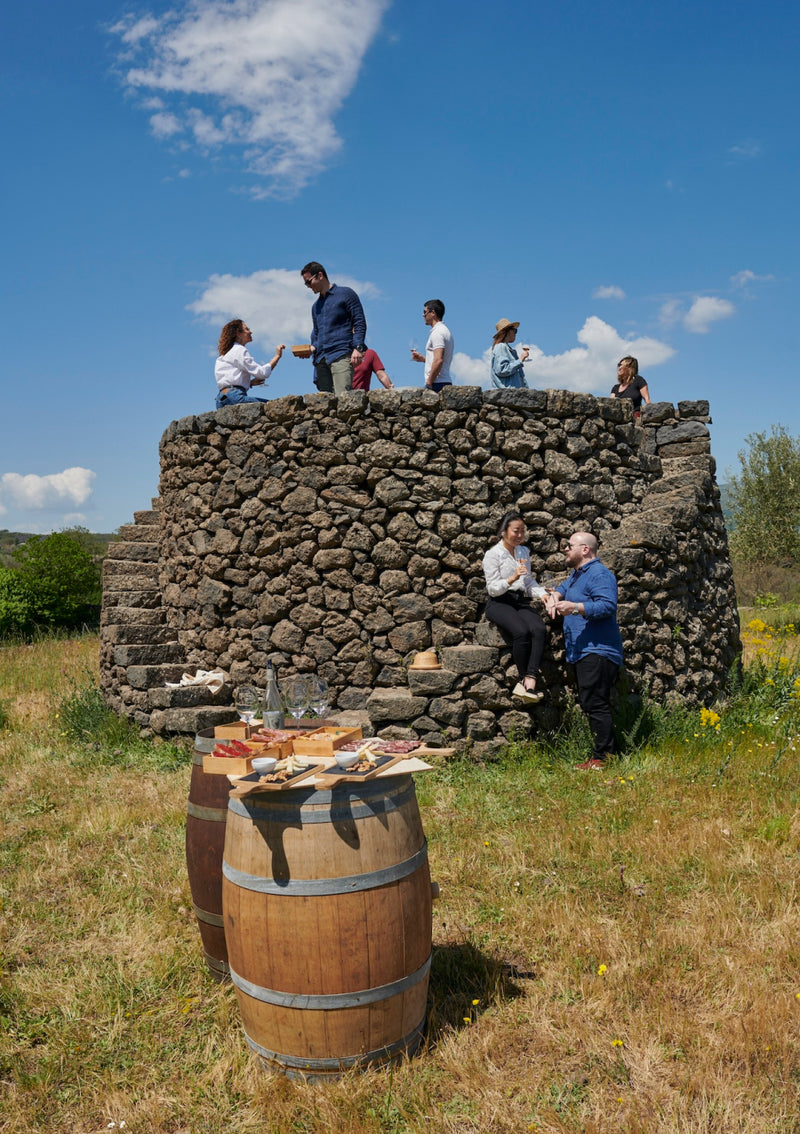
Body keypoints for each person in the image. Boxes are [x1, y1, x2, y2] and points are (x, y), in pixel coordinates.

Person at [545, 532, 624, 770]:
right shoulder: (577, 575)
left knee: (595, 703)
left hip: (598, 649)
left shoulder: (599, 574)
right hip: (584, 650)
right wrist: (553, 597)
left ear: (585, 550)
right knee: (592, 702)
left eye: (569, 546)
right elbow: (562, 588)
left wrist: (575, 607)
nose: (565, 550)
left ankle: (603, 758)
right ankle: (610, 753)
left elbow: (608, 605)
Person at [482, 511, 548, 704]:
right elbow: (493, 588)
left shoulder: (523, 552)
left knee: (538, 629)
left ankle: (530, 681)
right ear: (504, 531)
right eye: (516, 531)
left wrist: (542, 594)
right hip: (499, 602)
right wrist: (511, 578)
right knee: (521, 631)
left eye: (522, 532)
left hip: (519, 600)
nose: (520, 536)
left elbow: (528, 584)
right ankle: (522, 679)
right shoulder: (493, 554)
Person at [300, 261, 367, 395]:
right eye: (305, 283)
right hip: (321, 361)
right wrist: (311, 349)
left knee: (343, 399)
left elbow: (359, 322)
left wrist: (358, 347)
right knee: (325, 406)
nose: (307, 286)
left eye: (308, 282)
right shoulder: (315, 307)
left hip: (340, 355)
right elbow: (318, 335)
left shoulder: (346, 294)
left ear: (320, 275)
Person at [214, 320, 285, 408]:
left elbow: (229, 379)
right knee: (275, 407)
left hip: (221, 399)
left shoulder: (225, 355)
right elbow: (262, 373)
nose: (250, 331)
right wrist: (277, 356)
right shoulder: (239, 350)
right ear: (238, 333)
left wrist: (250, 383)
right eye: (247, 329)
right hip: (234, 396)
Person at [411, 299, 454, 392]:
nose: (423, 315)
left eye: (425, 312)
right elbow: (440, 359)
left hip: (437, 383)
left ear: (433, 313)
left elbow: (439, 360)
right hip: (443, 381)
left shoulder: (437, 332)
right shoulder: (445, 331)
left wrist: (429, 382)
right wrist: (424, 359)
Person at [490, 318, 529, 389]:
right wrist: (520, 360)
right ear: (508, 331)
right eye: (515, 330)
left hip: (514, 394)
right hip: (507, 394)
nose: (515, 333)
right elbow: (502, 370)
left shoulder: (508, 349)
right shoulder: (501, 347)